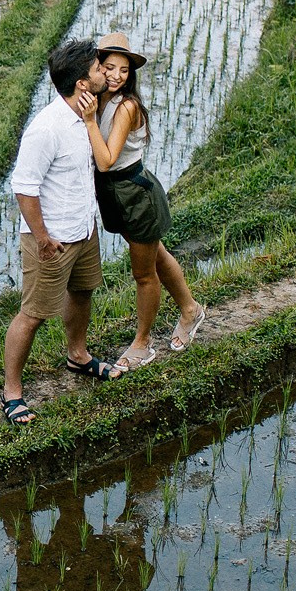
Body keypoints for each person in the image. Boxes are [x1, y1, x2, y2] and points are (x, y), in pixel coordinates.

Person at [1, 37, 120, 425]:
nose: (105, 72)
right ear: (82, 84)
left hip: (83, 230)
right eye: (99, 68)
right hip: (51, 241)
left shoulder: (86, 116)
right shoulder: (46, 128)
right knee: (33, 315)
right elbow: (24, 186)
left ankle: (78, 355)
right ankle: (12, 392)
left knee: (83, 292)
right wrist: (41, 237)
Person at [78, 32, 205, 371]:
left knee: (144, 273)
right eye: (108, 67)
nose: (116, 76)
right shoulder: (99, 98)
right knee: (156, 254)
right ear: (97, 68)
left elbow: (105, 160)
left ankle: (142, 343)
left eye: (123, 70)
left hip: (135, 194)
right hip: (115, 194)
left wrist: (89, 121)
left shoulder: (127, 107)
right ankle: (190, 310)